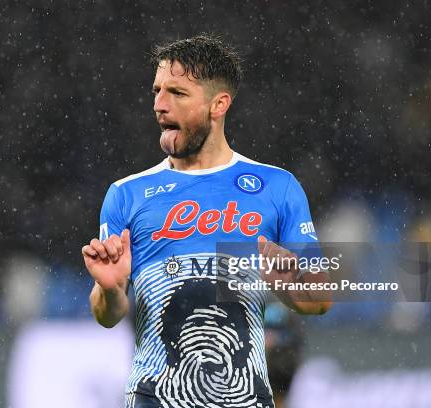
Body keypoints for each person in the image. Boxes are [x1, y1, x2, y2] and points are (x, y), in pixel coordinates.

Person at [82, 34, 332, 408]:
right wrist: (111, 289)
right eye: (157, 91)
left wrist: (289, 282)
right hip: (154, 399)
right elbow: (108, 316)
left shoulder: (277, 187)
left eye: (177, 93)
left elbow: (320, 298)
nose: (159, 105)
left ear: (219, 104)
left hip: (246, 399)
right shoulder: (126, 194)